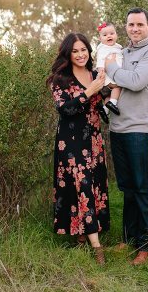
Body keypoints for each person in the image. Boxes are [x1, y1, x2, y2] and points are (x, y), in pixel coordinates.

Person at [104, 8, 148, 266]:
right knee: (127, 187)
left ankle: (145, 245)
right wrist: (111, 76)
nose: (135, 28)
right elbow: (112, 82)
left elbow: (138, 81)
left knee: (141, 187)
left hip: (139, 129)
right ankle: (128, 239)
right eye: (131, 24)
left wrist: (113, 71)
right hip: (117, 128)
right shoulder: (124, 52)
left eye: (140, 24)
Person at [47, 33, 111, 265]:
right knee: (82, 186)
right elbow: (65, 109)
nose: (81, 54)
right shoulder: (59, 79)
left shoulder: (96, 74)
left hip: (93, 141)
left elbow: (102, 111)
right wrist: (89, 91)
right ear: (68, 53)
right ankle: (97, 247)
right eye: (75, 51)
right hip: (71, 143)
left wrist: (106, 97)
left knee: (93, 186)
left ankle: (82, 235)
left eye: (84, 49)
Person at [93, 21, 123, 116]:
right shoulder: (103, 48)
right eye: (105, 35)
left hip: (113, 74)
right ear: (100, 38)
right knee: (117, 87)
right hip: (109, 76)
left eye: (112, 33)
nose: (109, 36)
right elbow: (101, 60)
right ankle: (113, 103)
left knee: (108, 95)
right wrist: (101, 69)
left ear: (116, 35)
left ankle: (105, 110)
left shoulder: (117, 47)